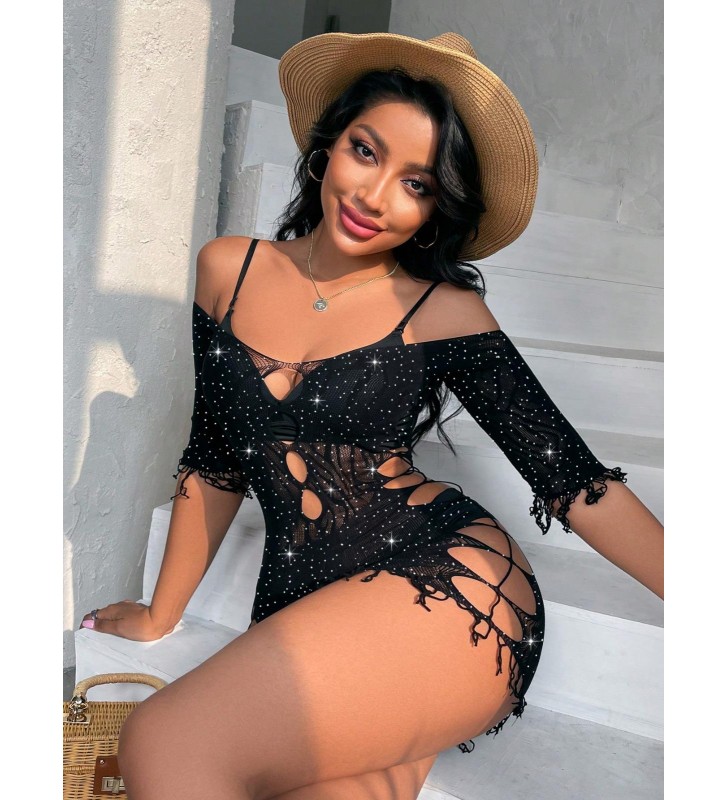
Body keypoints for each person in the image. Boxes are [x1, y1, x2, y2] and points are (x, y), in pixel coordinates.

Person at [79, 32, 663, 800]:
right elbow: (215, 459)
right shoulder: (228, 268)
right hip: (309, 603)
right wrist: (162, 613)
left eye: (415, 184)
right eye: (366, 151)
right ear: (328, 146)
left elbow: (572, 482)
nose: (374, 196)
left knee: (164, 739)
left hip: (448, 583)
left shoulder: (442, 310)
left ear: (435, 211)